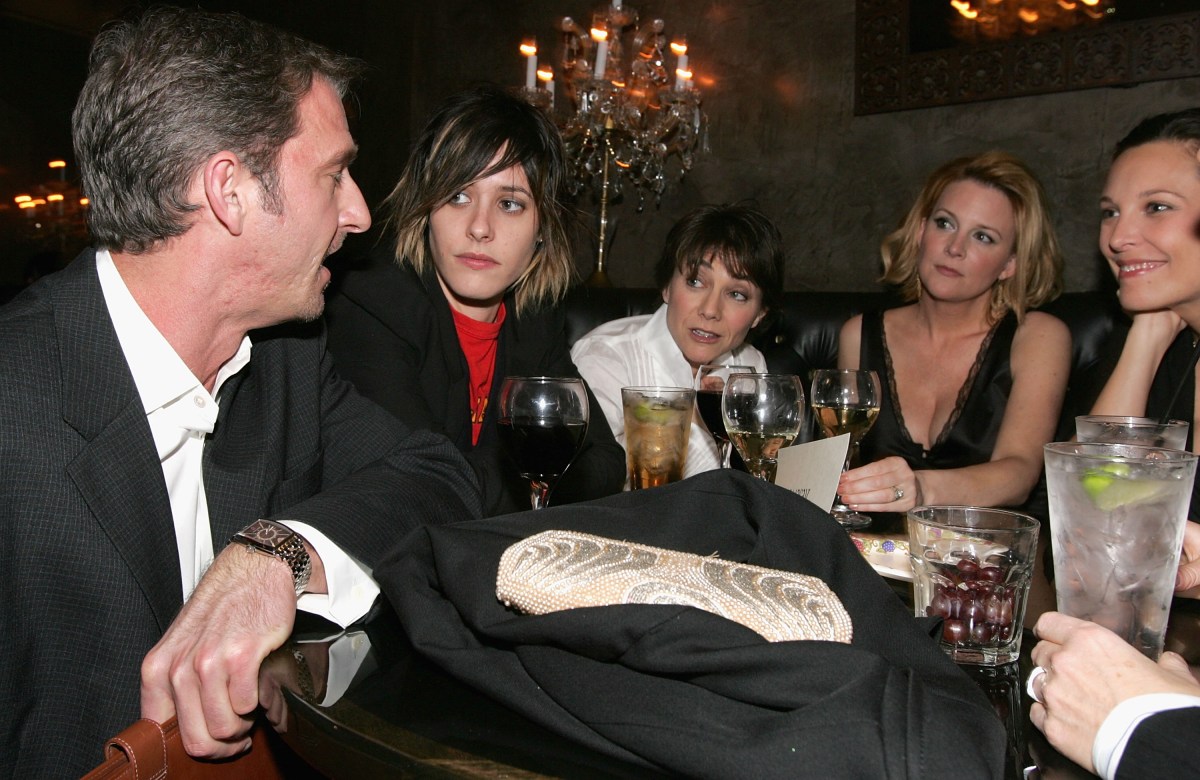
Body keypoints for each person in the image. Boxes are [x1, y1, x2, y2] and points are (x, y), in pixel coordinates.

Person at [0, 8, 480, 777]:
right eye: (333, 174)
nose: (358, 213)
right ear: (229, 191)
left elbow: (441, 477)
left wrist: (274, 554)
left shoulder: (284, 360)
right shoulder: (14, 408)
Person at [324, 85, 624, 514]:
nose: (480, 227)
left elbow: (606, 462)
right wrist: (536, 478)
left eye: (510, 203)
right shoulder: (372, 304)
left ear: (542, 228)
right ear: (426, 210)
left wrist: (486, 480)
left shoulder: (534, 320)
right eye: (457, 196)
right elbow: (421, 489)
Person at [1027, 107, 1200, 780]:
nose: (1120, 237)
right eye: (1109, 211)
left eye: (1156, 207)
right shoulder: (1181, 351)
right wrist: (1148, 335)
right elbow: (1092, 507)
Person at [836, 151, 1069, 526]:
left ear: (1010, 263)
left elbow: (1021, 473)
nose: (955, 248)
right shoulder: (859, 334)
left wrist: (922, 489)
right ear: (921, 231)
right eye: (945, 224)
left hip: (983, 565)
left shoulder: (1037, 336)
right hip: (875, 555)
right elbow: (842, 464)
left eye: (982, 237)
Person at [570, 203, 784, 478]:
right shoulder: (606, 356)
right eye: (696, 282)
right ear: (667, 286)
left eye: (737, 294)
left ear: (759, 314)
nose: (710, 310)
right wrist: (693, 418)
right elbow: (592, 482)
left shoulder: (749, 365)